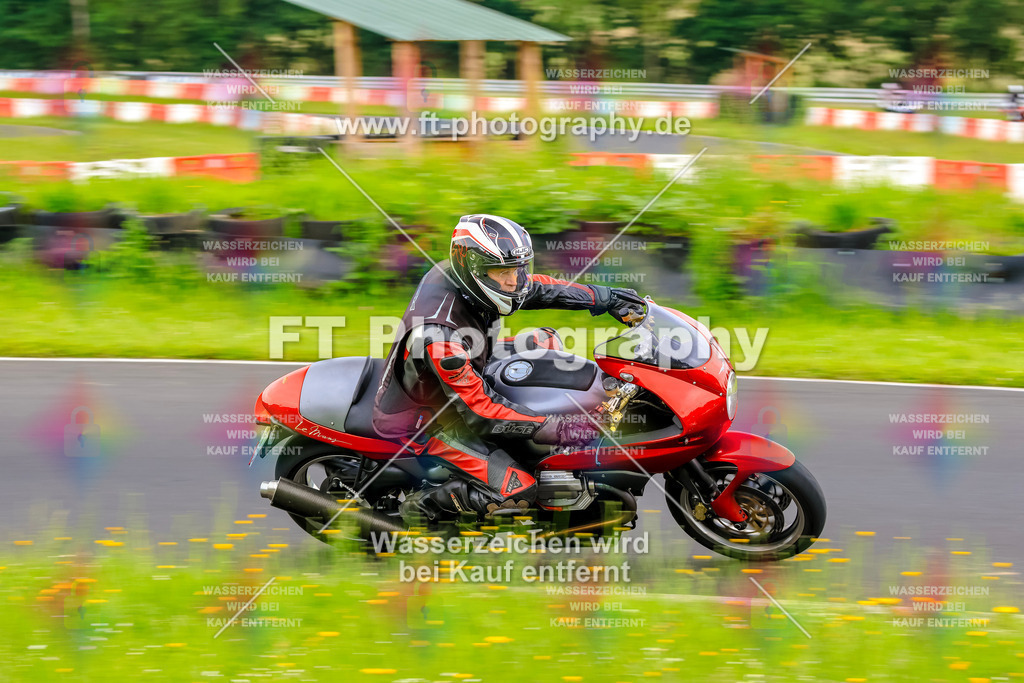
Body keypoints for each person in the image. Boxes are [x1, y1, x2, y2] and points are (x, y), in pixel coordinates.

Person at [372, 214, 644, 521]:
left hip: (472, 362)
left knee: (546, 340)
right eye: (503, 272)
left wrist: (605, 298)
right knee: (517, 489)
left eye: (518, 269)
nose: (514, 280)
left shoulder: (464, 276)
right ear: (473, 267)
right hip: (427, 421)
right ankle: (422, 509)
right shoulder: (439, 337)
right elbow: (481, 412)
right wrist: (560, 428)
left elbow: (539, 288)